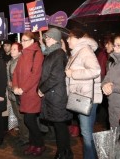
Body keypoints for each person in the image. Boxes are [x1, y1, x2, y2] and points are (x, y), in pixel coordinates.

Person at [65, 28, 102, 159]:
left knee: (86, 134)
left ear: (77, 38)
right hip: (81, 97)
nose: (68, 40)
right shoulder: (77, 52)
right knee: (86, 133)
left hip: (87, 98)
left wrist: (73, 74)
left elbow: (95, 70)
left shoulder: (85, 50)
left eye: (70, 37)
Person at [38, 28, 73, 159]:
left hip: (57, 96)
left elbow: (55, 77)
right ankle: (64, 151)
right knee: (59, 126)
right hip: (53, 95)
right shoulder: (52, 53)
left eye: (47, 37)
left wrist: (42, 89)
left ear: (55, 39)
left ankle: (64, 152)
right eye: (46, 37)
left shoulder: (58, 54)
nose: (45, 40)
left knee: (60, 126)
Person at [12, 31, 45, 156]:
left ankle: (40, 144)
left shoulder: (37, 54)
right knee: (28, 120)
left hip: (32, 93)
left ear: (32, 41)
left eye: (25, 40)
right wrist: (15, 86)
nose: (22, 42)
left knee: (29, 120)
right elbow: (16, 73)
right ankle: (33, 144)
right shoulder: (23, 54)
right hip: (23, 93)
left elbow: (35, 75)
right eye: (22, 40)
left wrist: (23, 88)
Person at [7, 42, 29, 146]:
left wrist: (14, 83)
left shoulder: (21, 61)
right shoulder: (11, 61)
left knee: (21, 117)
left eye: (14, 49)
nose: (12, 50)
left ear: (20, 51)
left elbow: (23, 77)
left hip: (18, 93)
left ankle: (25, 137)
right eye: (11, 49)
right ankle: (22, 135)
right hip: (11, 93)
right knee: (18, 116)